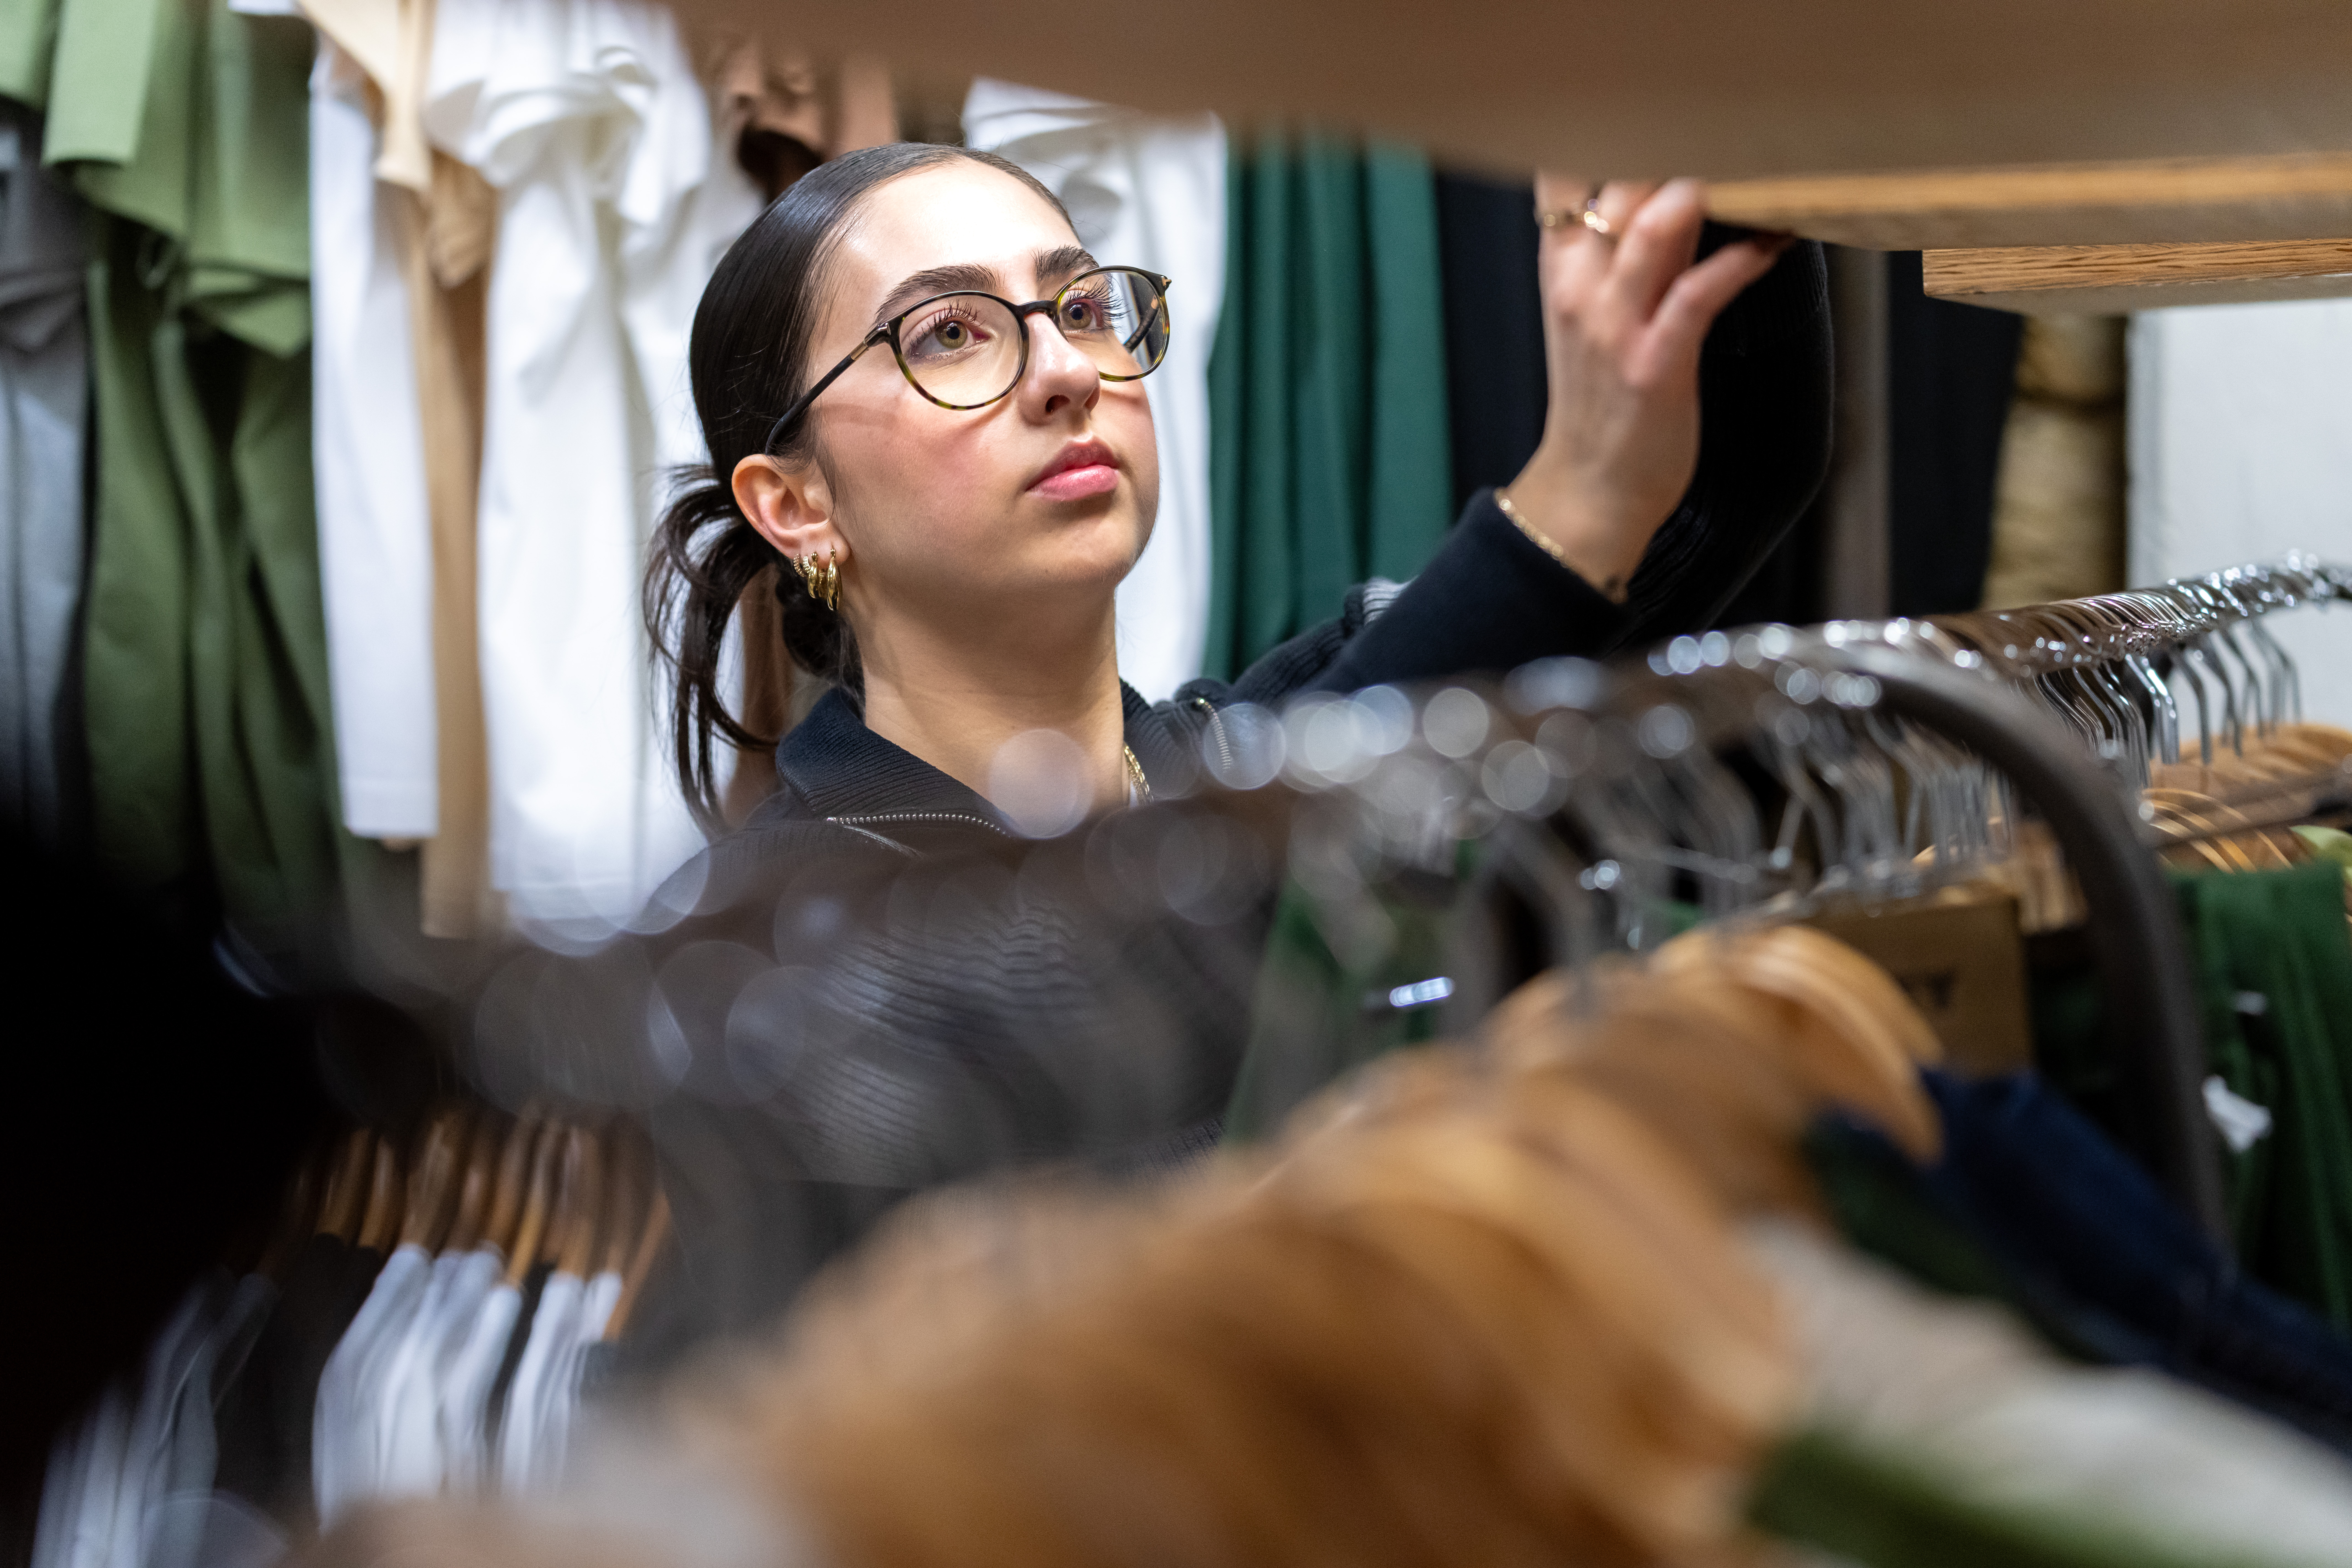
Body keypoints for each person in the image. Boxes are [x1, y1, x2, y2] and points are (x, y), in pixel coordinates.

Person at [588, 141, 1830, 1353]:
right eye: (950, 333)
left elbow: (1715, 487)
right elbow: (1129, 963)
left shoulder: (1244, 744)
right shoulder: (768, 961)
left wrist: (1696, 120)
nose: (1065, 369)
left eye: (1079, 304)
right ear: (796, 505)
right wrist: (1567, 505)